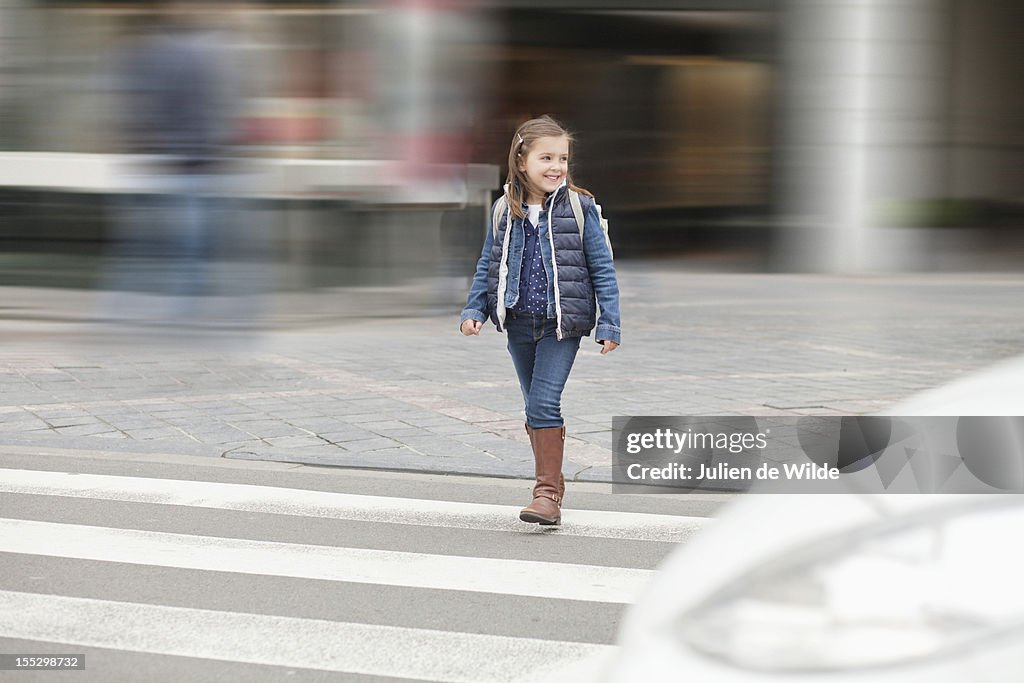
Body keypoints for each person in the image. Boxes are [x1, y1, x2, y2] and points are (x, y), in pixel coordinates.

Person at [460, 115, 621, 526]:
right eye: (546, 157)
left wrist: (609, 323)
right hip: (518, 322)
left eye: (563, 158)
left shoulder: (578, 207)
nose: (556, 166)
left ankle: (547, 494)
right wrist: (474, 309)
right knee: (533, 407)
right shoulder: (504, 209)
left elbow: (602, 269)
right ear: (521, 160)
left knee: (544, 402)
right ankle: (548, 488)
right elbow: (488, 264)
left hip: (561, 325)